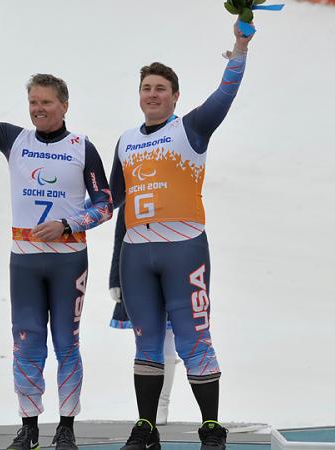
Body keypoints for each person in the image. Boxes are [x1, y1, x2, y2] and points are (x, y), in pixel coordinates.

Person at [0, 40, 113, 450]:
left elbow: (105, 205)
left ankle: (66, 427)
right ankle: (29, 426)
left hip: (69, 261)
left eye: (46, 102)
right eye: (33, 102)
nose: (38, 109)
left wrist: (69, 224)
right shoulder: (13, 139)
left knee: (67, 343)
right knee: (26, 341)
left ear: (64, 105)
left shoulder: (82, 147)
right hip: (26, 261)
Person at [108, 21, 253, 450]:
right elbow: (111, 200)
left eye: (160, 88)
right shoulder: (125, 140)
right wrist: (66, 224)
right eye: (146, 88)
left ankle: (211, 427)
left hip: (184, 247)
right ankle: (146, 428)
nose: (152, 94)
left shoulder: (189, 129)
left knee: (194, 338)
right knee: (147, 341)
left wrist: (239, 49)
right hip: (136, 253)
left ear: (174, 96)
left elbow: (224, 96)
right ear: (139, 95)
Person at [109, 231, 178, 426]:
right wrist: (115, 278)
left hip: (173, 263)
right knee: (145, 337)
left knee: (168, 336)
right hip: (137, 267)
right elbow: (121, 235)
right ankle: (151, 407)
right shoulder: (131, 199)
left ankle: (162, 404)